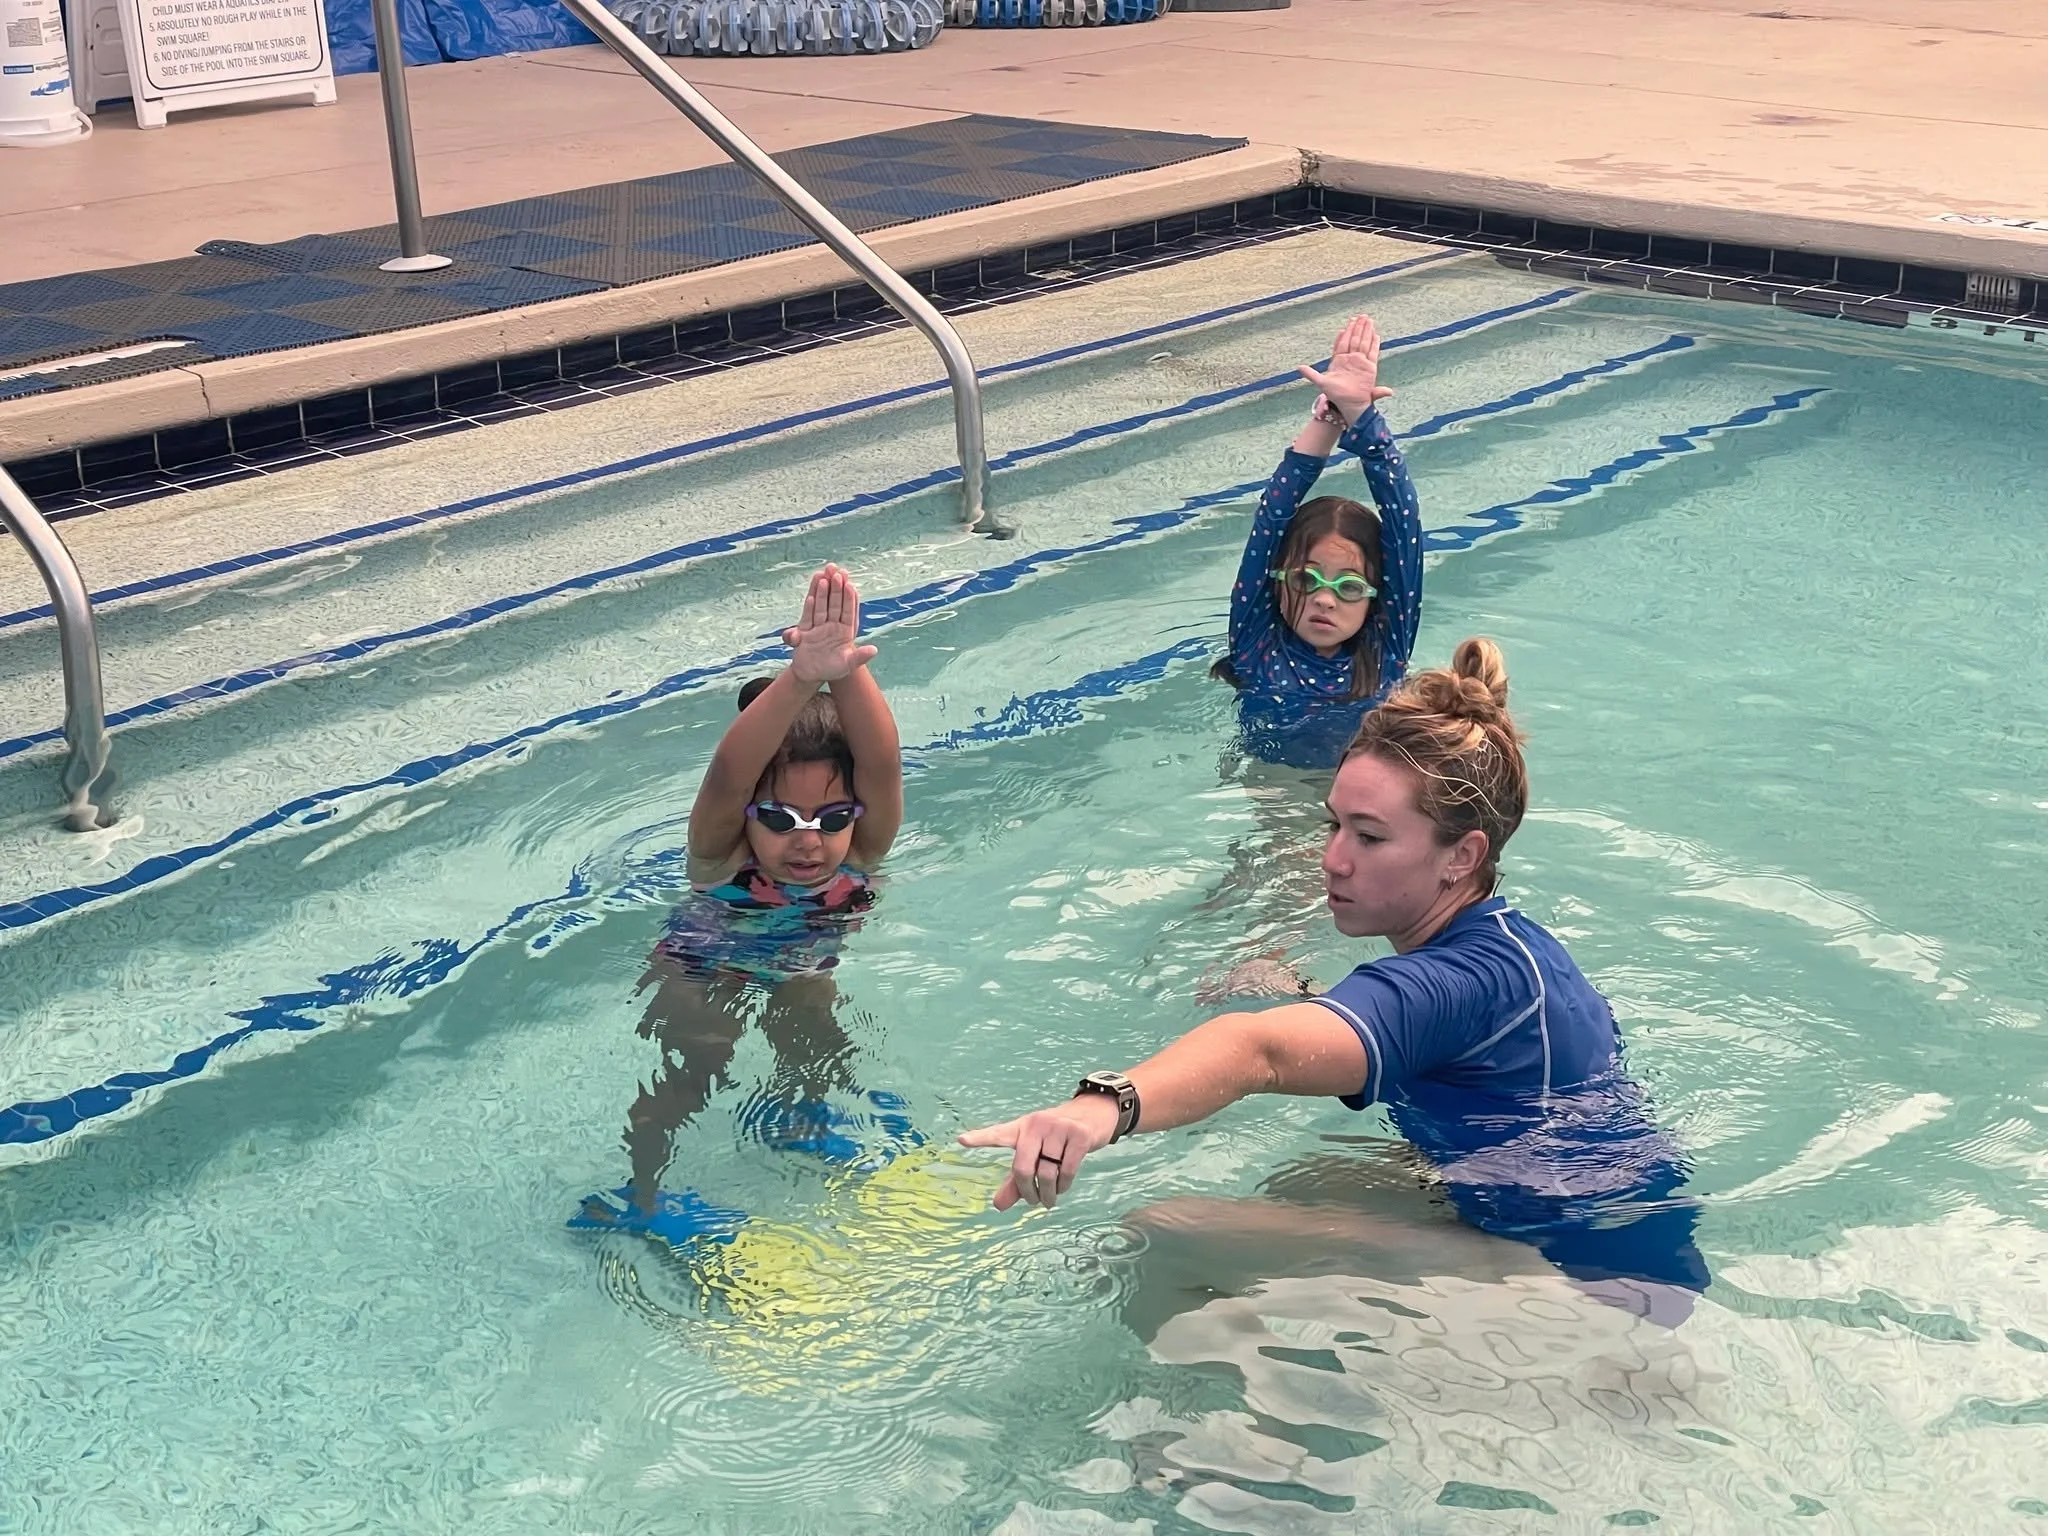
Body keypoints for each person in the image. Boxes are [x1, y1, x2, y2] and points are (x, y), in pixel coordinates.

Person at [962, 639, 1708, 1320]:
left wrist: (1105, 1106)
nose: (1334, 859)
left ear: (1462, 856)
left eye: (1370, 836)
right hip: (1599, 1250)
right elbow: (1440, 1040)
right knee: (1309, 1184)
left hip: (1600, 1304)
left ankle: (1206, 1429)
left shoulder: (1468, 982)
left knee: (1162, 1235)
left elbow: (1260, 1052)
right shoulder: (1512, 952)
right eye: (1334, 825)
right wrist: (1306, 1000)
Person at [577, 564, 909, 1237]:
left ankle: (801, 1123)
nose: (808, 840)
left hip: (800, 967)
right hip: (702, 970)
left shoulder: (861, 849)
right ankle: (640, 1197)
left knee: (819, 1041)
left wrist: (847, 672)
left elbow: (881, 766)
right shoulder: (722, 855)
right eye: (781, 819)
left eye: (831, 818)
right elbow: (730, 774)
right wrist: (802, 678)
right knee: (698, 1067)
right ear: (748, 817)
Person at [1213, 313, 1424, 770]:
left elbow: (1403, 526)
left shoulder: (1385, 649)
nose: (1324, 600)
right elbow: (1272, 516)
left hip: (1365, 789)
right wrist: (1328, 418)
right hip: (1274, 789)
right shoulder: (1256, 642)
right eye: (1306, 580)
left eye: (1349, 587)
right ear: (1276, 581)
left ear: (1376, 596)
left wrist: (1363, 418)